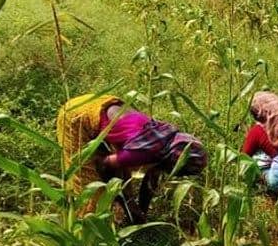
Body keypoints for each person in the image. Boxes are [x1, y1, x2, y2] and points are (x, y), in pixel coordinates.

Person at [56, 94, 208, 222]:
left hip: (104, 103)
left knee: (123, 174)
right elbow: (104, 164)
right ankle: (85, 236)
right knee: (89, 188)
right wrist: (125, 202)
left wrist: (141, 213)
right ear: (172, 165)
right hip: (76, 116)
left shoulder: (164, 141)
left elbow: (151, 180)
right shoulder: (143, 152)